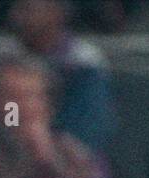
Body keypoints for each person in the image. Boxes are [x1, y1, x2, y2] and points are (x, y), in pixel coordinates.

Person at [9, 0, 115, 158]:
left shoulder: (84, 65)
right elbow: (7, 115)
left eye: (28, 8)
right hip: (16, 159)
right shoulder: (6, 62)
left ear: (56, 13)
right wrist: (15, 132)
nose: (17, 16)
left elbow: (89, 130)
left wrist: (48, 144)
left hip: (72, 165)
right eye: (17, 8)